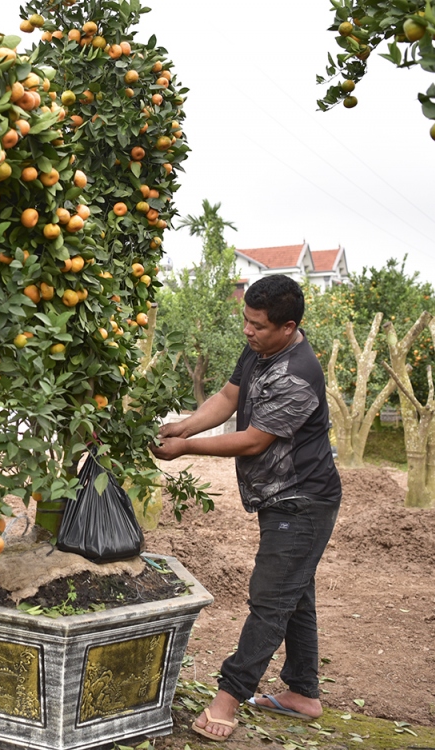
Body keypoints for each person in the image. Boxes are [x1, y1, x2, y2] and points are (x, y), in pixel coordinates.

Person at [150, 274, 341, 742]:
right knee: (294, 595)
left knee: (270, 600)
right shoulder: (259, 349)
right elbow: (229, 397)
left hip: (302, 500)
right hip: (280, 497)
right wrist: (185, 425)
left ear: (288, 326)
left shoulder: (299, 374)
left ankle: (228, 697)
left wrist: (187, 448)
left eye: (257, 325)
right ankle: (303, 693)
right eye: (246, 321)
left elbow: (254, 441)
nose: (248, 331)